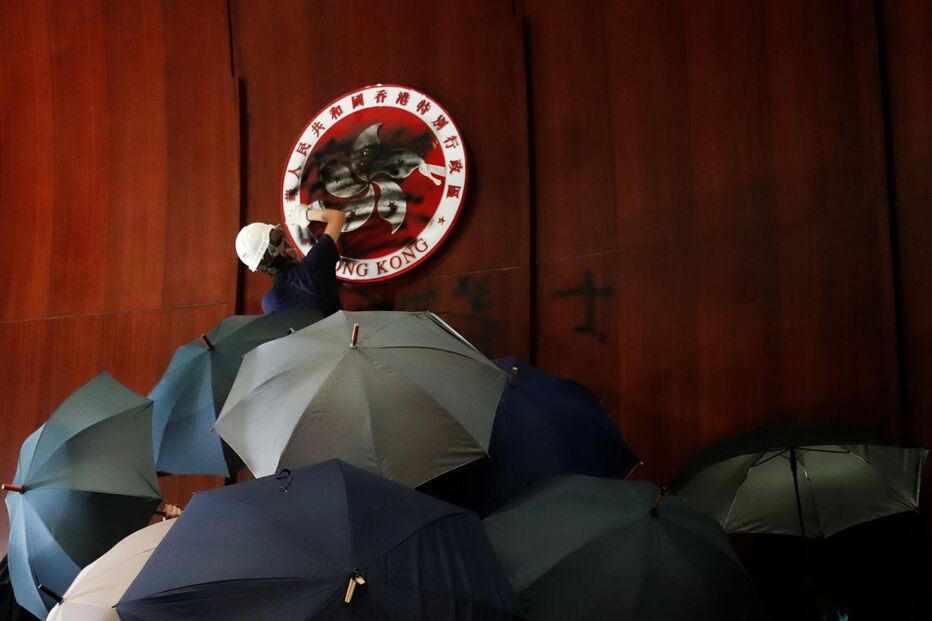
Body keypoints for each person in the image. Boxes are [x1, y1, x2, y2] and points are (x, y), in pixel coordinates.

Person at [235, 208, 346, 316]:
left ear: (260, 267)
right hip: (344, 332)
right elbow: (337, 217)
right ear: (282, 248)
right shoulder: (314, 263)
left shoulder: (270, 302)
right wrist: (304, 214)